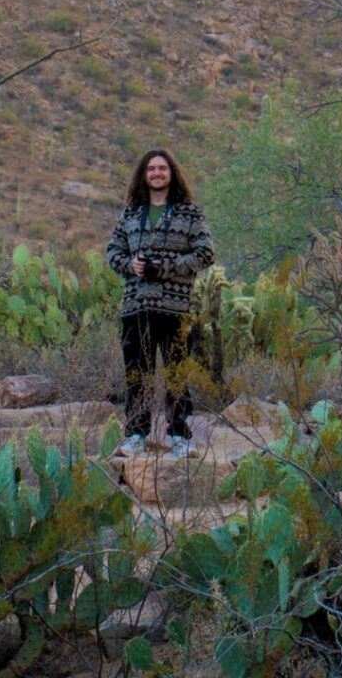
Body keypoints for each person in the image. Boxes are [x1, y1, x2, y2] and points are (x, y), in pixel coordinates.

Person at [106, 149, 215, 457]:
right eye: (151, 169)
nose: (156, 173)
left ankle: (179, 437)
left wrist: (164, 268)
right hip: (135, 307)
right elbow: (113, 250)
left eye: (162, 168)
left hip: (175, 308)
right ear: (144, 175)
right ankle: (136, 437)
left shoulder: (189, 213)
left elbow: (206, 253)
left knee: (176, 374)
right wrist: (132, 266)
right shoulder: (131, 213)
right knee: (137, 374)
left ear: (172, 174)